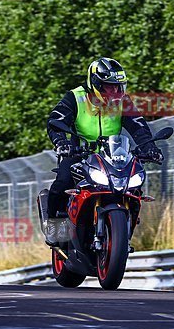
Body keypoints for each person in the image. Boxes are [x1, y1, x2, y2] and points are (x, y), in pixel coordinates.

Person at [46, 58, 163, 219]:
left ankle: (126, 226)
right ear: (95, 83)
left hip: (113, 158)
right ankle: (53, 223)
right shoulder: (75, 97)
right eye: (109, 86)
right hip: (80, 155)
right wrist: (62, 142)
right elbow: (55, 121)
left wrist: (149, 147)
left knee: (134, 187)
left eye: (118, 87)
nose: (114, 92)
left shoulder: (123, 101)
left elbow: (138, 126)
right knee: (62, 184)